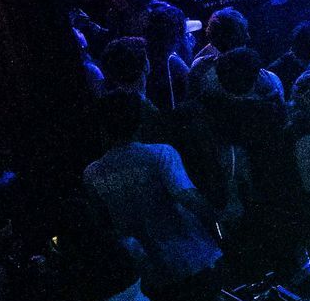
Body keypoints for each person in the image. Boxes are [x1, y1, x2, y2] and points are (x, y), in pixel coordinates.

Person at [82, 90, 223, 290]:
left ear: (102, 126)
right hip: (191, 257)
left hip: (147, 269)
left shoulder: (92, 173)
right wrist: (219, 221)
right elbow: (187, 196)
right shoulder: (161, 154)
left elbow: (104, 222)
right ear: (140, 121)